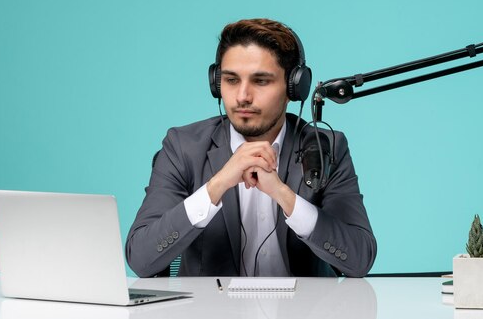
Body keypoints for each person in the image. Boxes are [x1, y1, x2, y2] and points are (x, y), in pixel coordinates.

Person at [125, 18, 376, 277]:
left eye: (261, 81)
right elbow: (141, 259)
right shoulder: (183, 147)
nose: (243, 96)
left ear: (294, 87)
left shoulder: (327, 148)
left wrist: (284, 196)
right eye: (231, 80)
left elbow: (359, 260)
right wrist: (216, 186)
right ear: (216, 83)